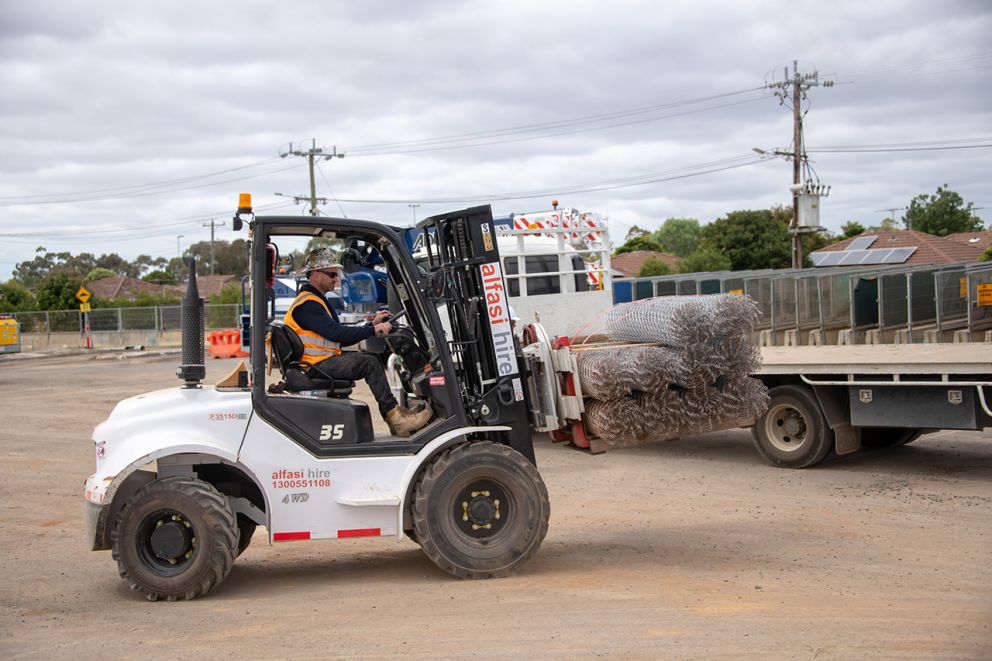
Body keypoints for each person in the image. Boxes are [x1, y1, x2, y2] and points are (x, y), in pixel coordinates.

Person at [284, 247, 432, 438]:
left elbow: (336, 331)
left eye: (336, 274)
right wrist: (372, 330)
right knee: (369, 362)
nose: (336, 279)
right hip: (315, 365)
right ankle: (396, 419)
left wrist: (372, 323)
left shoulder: (314, 300)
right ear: (314, 275)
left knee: (367, 359)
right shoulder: (308, 305)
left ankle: (397, 416)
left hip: (318, 361)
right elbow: (337, 333)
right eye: (331, 274)